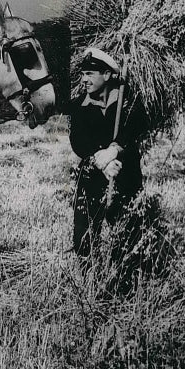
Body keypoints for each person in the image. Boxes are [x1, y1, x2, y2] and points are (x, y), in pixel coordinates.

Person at [68, 47, 149, 261]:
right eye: (82, 74)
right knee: (84, 239)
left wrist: (115, 150)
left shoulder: (129, 102)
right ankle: (89, 285)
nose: (84, 80)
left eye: (89, 74)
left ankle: (124, 283)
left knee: (128, 237)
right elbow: (78, 141)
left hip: (125, 176)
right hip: (91, 178)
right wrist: (100, 161)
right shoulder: (78, 106)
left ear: (106, 75)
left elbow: (136, 129)